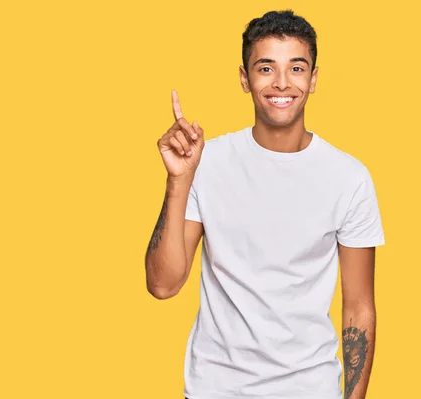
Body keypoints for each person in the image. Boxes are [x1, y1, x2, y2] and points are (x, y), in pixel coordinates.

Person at [144, 10, 385, 399]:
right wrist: (178, 180)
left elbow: (359, 308)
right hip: (215, 389)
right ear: (245, 78)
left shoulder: (349, 178)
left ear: (314, 79)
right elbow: (163, 284)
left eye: (296, 68)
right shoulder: (206, 163)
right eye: (266, 68)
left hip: (310, 389)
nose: (282, 83)